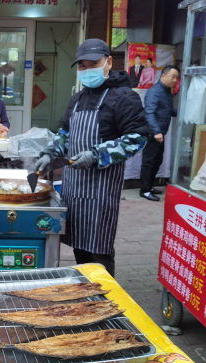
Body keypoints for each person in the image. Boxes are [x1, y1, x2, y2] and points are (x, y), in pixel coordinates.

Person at [31, 39, 148, 277]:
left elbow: (137, 137)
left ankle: (105, 294)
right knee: (80, 247)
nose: (87, 70)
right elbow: (65, 134)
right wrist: (49, 153)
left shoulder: (124, 97)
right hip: (74, 188)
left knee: (99, 251)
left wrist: (97, 154)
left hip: (101, 190)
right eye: (82, 66)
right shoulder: (77, 99)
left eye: (93, 64)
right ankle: (86, 291)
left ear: (108, 62)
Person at [140, 65, 180, 201]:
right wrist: (156, 131)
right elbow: (149, 114)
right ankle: (145, 190)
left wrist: (182, 112)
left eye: (176, 78)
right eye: (173, 77)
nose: (175, 80)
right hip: (153, 133)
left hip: (160, 133)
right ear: (163, 76)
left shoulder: (167, 91)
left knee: (157, 161)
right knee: (149, 162)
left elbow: (166, 110)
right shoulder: (154, 92)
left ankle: (149, 186)